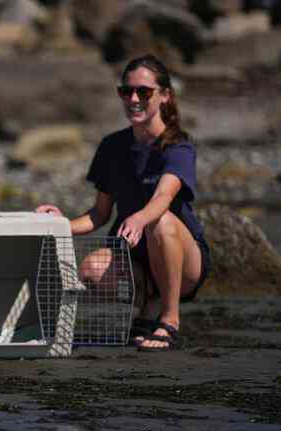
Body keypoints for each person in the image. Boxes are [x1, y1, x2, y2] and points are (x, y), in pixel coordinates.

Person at [36, 54, 210, 351]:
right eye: (126, 91)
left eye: (144, 92)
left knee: (161, 220)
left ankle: (170, 320)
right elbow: (99, 214)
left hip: (184, 260)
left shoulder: (179, 146)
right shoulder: (112, 146)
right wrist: (59, 223)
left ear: (165, 96)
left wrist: (140, 218)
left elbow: (163, 197)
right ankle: (146, 306)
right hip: (136, 260)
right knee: (91, 269)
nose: (133, 98)